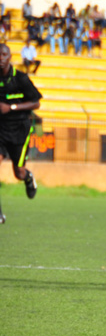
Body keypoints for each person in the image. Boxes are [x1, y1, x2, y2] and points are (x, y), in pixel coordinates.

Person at [0, 43, 42, 224]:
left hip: (19, 130)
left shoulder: (21, 79)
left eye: (3, 55)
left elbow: (36, 103)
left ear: (9, 57)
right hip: (0, 130)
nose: (0, 59)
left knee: (18, 172)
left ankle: (28, 177)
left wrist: (12, 107)